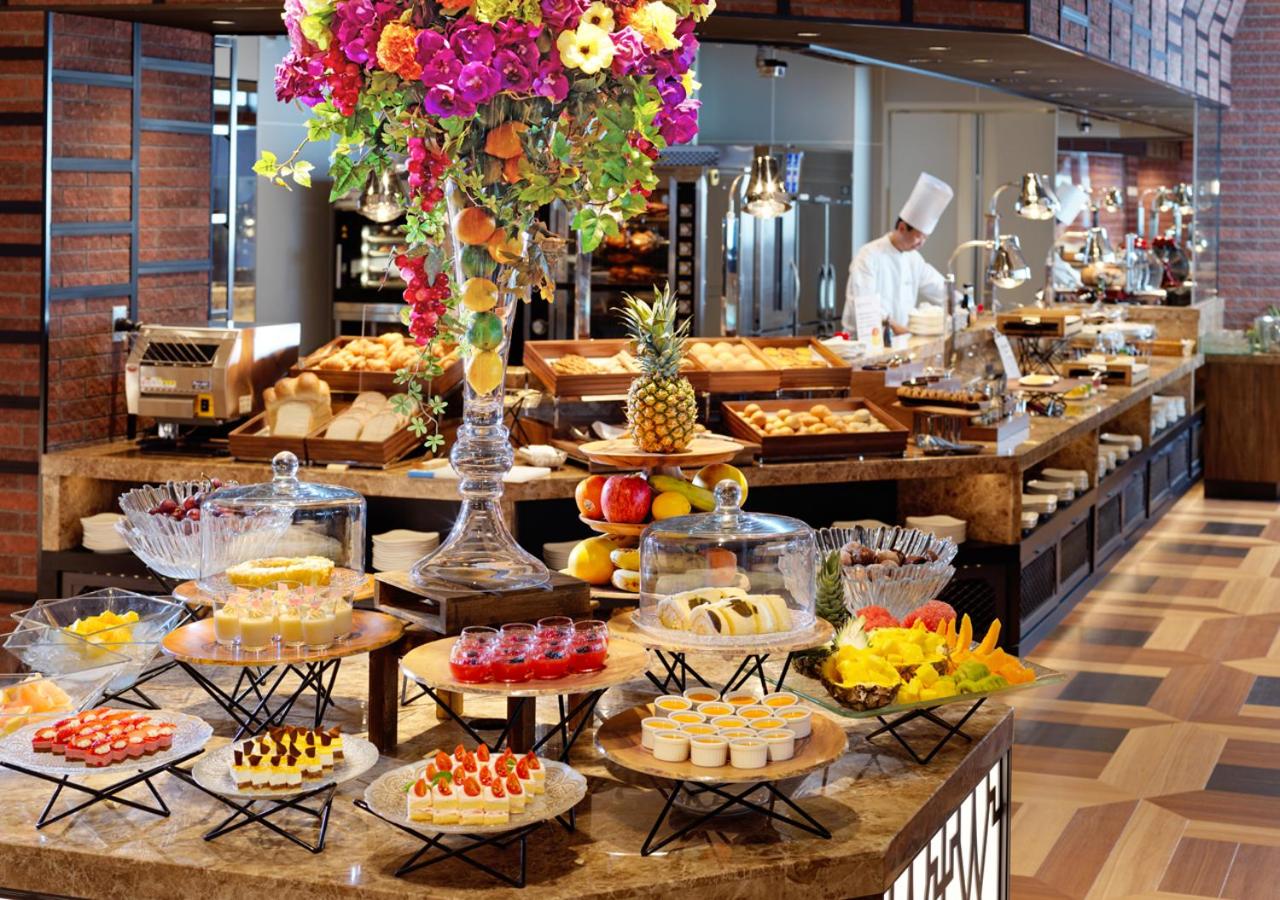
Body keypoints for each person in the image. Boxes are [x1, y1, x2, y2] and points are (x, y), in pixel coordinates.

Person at [843, 172, 955, 337]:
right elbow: (865, 306)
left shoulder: (914, 259)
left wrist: (964, 304)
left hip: (898, 343)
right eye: (918, 236)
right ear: (902, 228)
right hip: (862, 342)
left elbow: (939, 287)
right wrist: (900, 329)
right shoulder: (868, 256)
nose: (921, 243)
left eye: (925, 238)